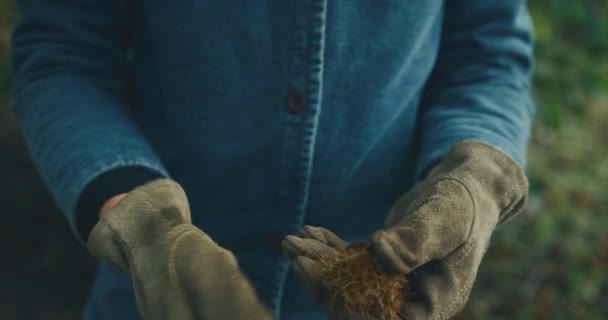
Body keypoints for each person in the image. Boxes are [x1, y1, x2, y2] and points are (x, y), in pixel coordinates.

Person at [10, 1, 534, 319]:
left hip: (376, 298)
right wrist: (138, 220)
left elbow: (486, 55)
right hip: (155, 299)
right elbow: (65, 57)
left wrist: (476, 178)